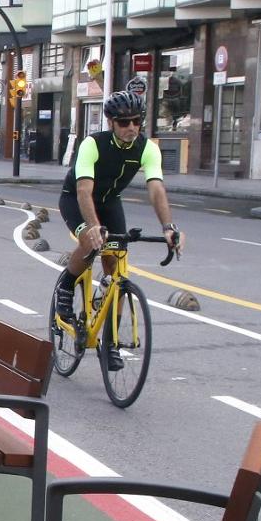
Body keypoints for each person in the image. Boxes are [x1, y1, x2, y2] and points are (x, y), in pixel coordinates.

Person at [53, 90, 184, 370]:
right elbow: (83, 190)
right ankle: (65, 287)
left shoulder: (148, 149)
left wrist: (168, 227)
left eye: (136, 121)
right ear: (111, 122)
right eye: (124, 122)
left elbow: (156, 189)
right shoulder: (92, 144)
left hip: (110, 202)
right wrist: (93, 226)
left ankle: (111, 344)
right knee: (90, 241)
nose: (131, 128)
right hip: (76, 199)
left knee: (116, 268)